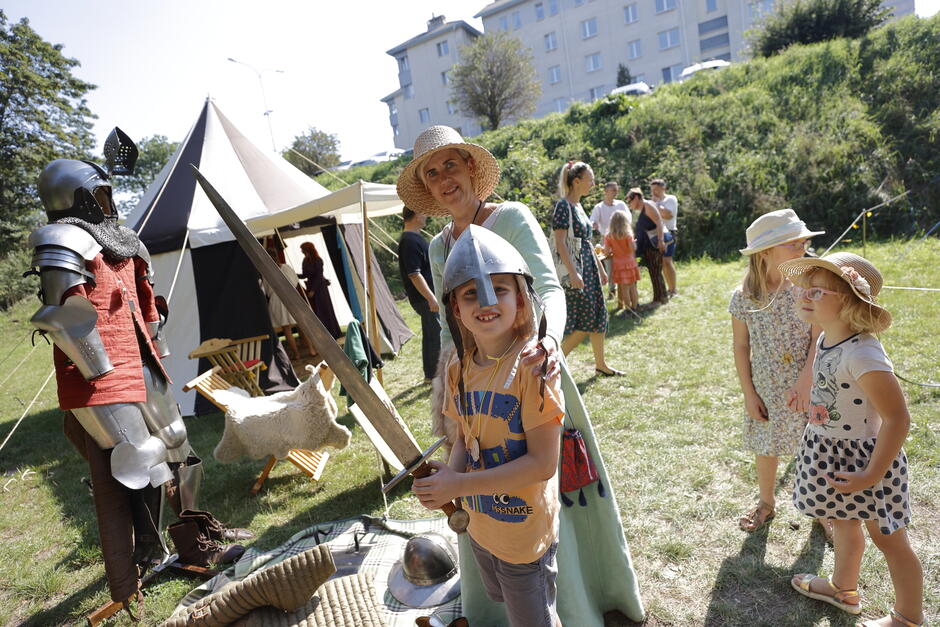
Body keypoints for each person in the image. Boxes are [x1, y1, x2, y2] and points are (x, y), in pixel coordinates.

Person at [396, 125, 644, 626]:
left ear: (471, 169)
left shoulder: (510, 217)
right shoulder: (440, 246)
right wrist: (451, 392)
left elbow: (548, 288)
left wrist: (547, 343)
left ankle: (574, 606)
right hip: (472, 389)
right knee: (480, 496)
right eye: (432, 171)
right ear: (427, 187)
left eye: (451, 164)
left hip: (532, 369)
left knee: (544, 491)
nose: (445, 177)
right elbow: (454, 325)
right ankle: (500, 610)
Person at [28, 130, 248, 614]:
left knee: (180, 450)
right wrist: (99, 372)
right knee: (140, 463)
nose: (108, 203)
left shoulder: (125, 242)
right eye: (99, 194)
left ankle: (195, 533)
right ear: (76, 198)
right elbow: (65, 315)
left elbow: (149, 304)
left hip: (143, 362)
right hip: (98, 374)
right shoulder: (61, 238)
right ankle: (149, 554)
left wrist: (158, 346)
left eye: (109, 194)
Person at [414, 226, 563, 627]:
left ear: (520, 299)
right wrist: (449, 477)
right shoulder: (457, 369)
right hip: (482, 525)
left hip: (524, 532)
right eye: (469, 293)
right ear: (455, 310)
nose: (485, 300)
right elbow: (463, 435)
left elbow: (543, 464)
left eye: (499, 289)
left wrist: (459, 486)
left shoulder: (533, 369)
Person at [780, 253, 925, 627]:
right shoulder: (829, 338)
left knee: (890, 540)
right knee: (843, 522)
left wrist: (872, 475)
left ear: (847, 300)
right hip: (835, 453)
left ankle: (908, 618)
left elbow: (897, 418)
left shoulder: (864, 353)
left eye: (817, 291)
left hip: (870, 461)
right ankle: (842, 589)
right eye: (804, 289)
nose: (804, 296)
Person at [729, 209, 824, 534]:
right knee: (767, 443)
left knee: (815, 445)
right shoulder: (744, 297)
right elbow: (741, 346)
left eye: (804, 243)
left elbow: (818, 336)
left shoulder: (809, 285)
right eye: (794, 245)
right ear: (766, 252)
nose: (803, 250)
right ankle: (766, 503)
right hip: (767, 384)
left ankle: (822, 508)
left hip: (811, 381)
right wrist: (749, 393)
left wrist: (806, 378)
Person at [553, 161, 623, 377]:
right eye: (590, 180)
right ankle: (553, 363)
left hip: (589, 269)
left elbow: (587, 241)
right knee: (584, 322)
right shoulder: (563, 206)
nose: (593, 184)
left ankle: (601, 364)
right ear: (576, 181)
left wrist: (600, 269)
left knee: (599, 317)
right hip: (576, 271)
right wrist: (573, 273)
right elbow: (560, 242)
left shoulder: (578, 206)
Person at [397, 207, 441, 382]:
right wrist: (430, 297)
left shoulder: (413, 238)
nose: (426, 214)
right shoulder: (409, 240)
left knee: (433, 333)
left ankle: (432, 374)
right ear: (415, 214)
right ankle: (432, 375)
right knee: (434, 335)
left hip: (427, 297)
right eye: (423, 212)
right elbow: (414, 274)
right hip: (424, 298)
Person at [263, 248, 315, 360]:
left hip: (277, 300)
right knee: (301, 325)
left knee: (287, 329)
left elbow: (267, 291)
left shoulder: (265, 271)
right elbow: (295, 282)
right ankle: (311, 349)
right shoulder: (285, 267)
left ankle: (297, 353)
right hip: (290, 297)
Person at [627, 187, 670, 306]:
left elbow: (659, 223)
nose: (629, 204)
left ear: (636, 197)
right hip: (644, 246)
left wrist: (661, 241)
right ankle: (659, 298)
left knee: (656, 271)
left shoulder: (648, 206)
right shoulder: (640, 210)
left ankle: (660, 299)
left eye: (630, 201)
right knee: (652, 271)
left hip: (653, 244)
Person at [591, 181, 627, 299]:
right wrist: (594, 224)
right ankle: (612, 291)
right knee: (609, 267)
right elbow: (592, 220)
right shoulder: (599, 207)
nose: (616, 193)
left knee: (623, 265)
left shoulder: (621, 204)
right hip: (606, 240)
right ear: (606, 192)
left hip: (621, 239)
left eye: (616, 190)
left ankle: (625, 290)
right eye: (613, 190)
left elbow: (628, 218)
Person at [299, 241, 342, 339]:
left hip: (320, 288)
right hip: (311, 287)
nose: (302, 251)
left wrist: (313, 290)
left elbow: (319, 276)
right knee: (317, 312)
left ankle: (333, 333)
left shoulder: (318, 260)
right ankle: (323, 334)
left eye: (303, 249)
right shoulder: (305, 261)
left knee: (325, 310)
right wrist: (293, 274)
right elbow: (305, 275)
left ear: (307, 249)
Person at [604, 210, 640, 313]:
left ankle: (628, 310)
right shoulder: (628, 234)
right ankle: (635, 307)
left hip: (619, 265)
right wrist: (634, 243)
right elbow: (632, 248)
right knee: (632, 286)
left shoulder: (609, 236)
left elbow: (606, 252)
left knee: (624, 288)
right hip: (630, 263)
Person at [650, 178, 679, 296]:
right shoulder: (653, 202)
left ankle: (674, 289)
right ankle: (669, 288)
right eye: (652, 190)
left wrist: (656, 204)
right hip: (657, 234)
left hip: (669, 233)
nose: (654, 193)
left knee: (667, 261)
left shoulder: (670, 199)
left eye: (656, 190)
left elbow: (668, 215)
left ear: (663, 188)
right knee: (661, 262)